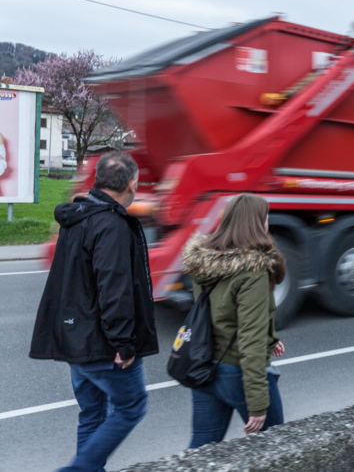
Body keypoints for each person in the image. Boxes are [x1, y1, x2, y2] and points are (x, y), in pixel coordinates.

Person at [29, 152, 157, 472]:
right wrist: (123, 343)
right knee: (131, 407)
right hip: (101, 343)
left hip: (75, 337)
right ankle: (76, 470)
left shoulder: (78, 215)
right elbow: (115, 289)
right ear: (131, 184)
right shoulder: (112, 224)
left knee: (92, 413)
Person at [182, 194, 287, 448]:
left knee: (201, 451)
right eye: (265, 219)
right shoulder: (254, 271)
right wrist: (258, 403)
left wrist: (270, 338)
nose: (267, 224)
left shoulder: (205, 262)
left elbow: (220, 314)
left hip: (205, 366)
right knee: (276, 447)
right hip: (236, 372)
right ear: (256, 224)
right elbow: (249, 341)